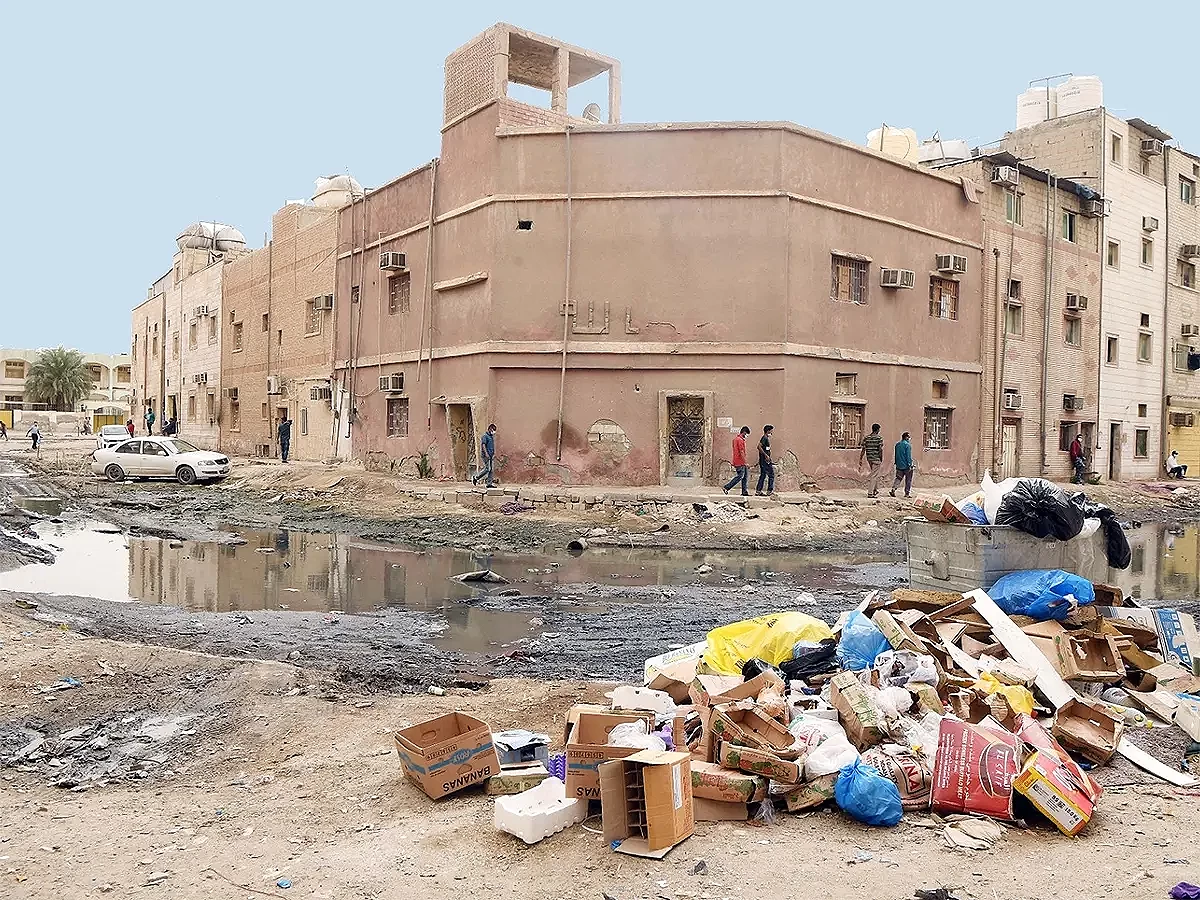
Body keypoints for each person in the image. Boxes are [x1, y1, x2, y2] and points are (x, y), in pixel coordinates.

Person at [723, 426, 752, 496]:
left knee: (745, 477)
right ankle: (726, 487)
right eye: (747, 434)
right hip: (740, 462)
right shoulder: (740, 440)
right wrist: (745, 463)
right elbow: (741, 452)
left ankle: (744, 492)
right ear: (744, 432)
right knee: (740, 476)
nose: (747, 436)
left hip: (737, 460)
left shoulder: (735, 439)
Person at [860, 423, 885, 498]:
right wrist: (881, 458)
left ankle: (875, 490)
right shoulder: (879, 438)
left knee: (874, 474)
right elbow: (880, 449)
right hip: (876, 459)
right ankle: (870, 493)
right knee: (874, 476)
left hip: (869, 458)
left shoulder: (866, 438)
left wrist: (860, 458)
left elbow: (863, 449)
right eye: (879, 429)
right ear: (877, 430)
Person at [890, 431, 914, 498]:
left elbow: (896, 454)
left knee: (898, 478)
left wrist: (896, 462)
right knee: (908, 479)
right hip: (906, 466)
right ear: (906, 437)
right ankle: (907, 493)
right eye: (909, 437)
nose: (909, 438)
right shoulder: (907, 445)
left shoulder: (897, 444)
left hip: (899, 465)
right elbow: (908, 456)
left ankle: (893, 489)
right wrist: (910, 465)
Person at [472, 423, 497, 487]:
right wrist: (486, 454)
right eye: (493, 430)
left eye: (494, 430)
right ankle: (476, 478)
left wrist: (493, 454)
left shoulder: (491, 437)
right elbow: (483, 445)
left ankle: (489, 484)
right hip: (486, 455)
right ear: (490, 429)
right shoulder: (485, 436)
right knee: (487, 469)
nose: (494, 432)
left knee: (491, 470)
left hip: (491, 455)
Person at [755, 425, 775, 496]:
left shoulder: (766, 438)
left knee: (763, 475)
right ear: (768, 431)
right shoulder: (764, 438)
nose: (772, 432)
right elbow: (759, 447)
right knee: (771, 475)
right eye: (771, 431)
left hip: (763, 460)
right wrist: (766, 455)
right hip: (765, 461)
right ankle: (769, 491)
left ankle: (758, 491)